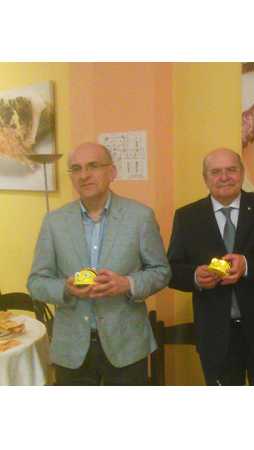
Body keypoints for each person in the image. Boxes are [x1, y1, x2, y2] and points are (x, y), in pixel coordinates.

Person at [27, 142, 171, 385]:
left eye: (93, 166)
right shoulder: (54, 222)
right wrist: (65, 289)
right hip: (71, 346)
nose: (84, 175)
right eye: (76, 168)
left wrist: (127, 284)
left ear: (111, 172)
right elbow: (36, 282)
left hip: (126, 344)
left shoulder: (140, 217)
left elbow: (161, 272)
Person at [167, 148, 254, 385]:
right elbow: (172, 270)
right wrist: (195, 276)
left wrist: (247, 265)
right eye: (216, 172)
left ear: (242, 173)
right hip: (215, 337)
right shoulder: (187, 217)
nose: (224, 177)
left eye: (231, 170)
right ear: (205, 178)